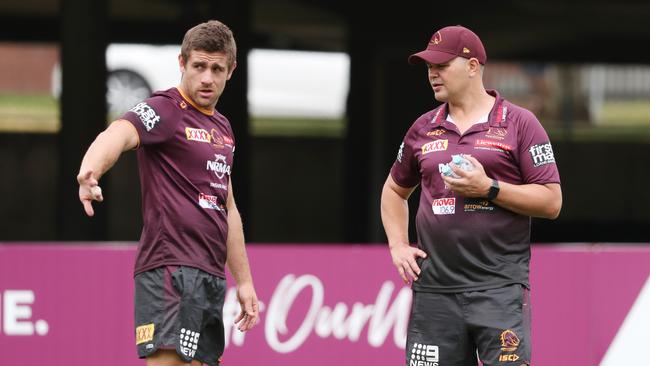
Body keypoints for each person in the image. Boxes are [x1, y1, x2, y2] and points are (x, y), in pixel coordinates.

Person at [76, 20, 259, 366]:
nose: (207, 77)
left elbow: (228, 208)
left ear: (231, 70)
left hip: (209, 275)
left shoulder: (223, 128)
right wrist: (91, 170)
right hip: (170, 270)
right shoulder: (166, 109)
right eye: (199, 66)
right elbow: (119, 132)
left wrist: (245, 282)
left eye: (217, 69)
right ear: (182, 63)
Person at [380, 25, 561, 366]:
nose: (433, 74)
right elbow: (393, 190)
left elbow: (551, 202)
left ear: (474, 66)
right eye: (429, 68)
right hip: (434, 292)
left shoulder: (520, 124)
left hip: (499, 290)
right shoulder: (422, 128)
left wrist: (488, 188)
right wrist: (397, 244)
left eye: (442, 66)